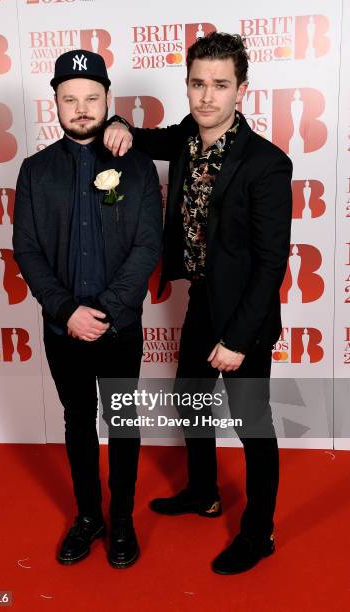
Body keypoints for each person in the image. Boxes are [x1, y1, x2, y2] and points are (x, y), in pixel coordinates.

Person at [104, 32, 292, 574]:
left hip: (246, 318)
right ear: (187, 86)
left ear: (241, 90)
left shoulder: (267, 165)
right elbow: (153, 140)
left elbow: (270, 263)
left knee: (254, 423)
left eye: (220, 85)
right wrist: (120, 129)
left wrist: (236, 339)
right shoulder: (189, 134)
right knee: (191, 401)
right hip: (204, 298)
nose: (207, 96)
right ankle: (204, 492)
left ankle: (260, 533)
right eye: (197, 84)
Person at [13, 49, 162, 569]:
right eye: (69, 98)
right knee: (79, 423)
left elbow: (148, 245)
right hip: (63, 329)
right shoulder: (34, 171)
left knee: (122, 422)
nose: (81, 108)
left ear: (108, 101)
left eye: (92, 98)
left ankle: (121, 518)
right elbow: (27, 249)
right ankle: (88, 517)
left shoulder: (137, 166)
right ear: (54, 102)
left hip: (120, 328)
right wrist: (66, 311)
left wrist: (107, 310)